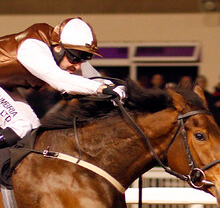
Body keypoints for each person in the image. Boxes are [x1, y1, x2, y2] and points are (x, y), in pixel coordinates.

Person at [0, 17, 126, 148]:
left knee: (33, 130)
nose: (78, 66)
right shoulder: (32, 48)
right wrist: (101, 88)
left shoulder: (63, 50)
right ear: (58, 48)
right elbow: (60, 80)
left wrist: (116, 89)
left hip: (4, 84)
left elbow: (96, 80)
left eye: (83, 59)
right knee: (21, 126)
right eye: (75, 57)